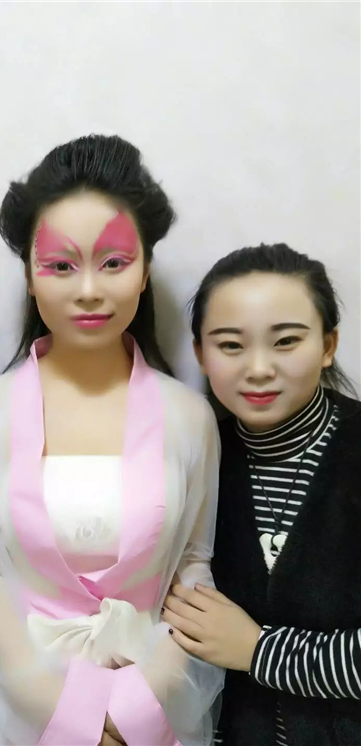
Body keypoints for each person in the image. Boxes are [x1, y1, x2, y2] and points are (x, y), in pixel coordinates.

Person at [0, 134, 224, 746]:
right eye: (61, 266)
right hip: (17, 706)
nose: (89, 289)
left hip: (153, 702)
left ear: (145, 270)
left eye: (113, 263)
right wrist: (63, 710)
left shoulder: (189, 417)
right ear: (30, 277)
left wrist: (139, 704)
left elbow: (193, 567)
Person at [162, 244, 361, 746]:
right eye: (231, 345)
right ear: (200, 354)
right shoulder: (196, 461)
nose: (258, 369)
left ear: (329, 344)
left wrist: (258, 650)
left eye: (286, 341)